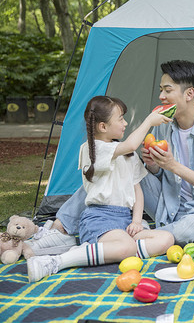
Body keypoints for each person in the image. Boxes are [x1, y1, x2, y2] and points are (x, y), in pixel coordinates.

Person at [26, 60, 194, 257]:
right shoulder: (163, 124)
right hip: (166, 202)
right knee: (112, 166)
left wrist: (173, 165)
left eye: (168, 90)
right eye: (161, 90)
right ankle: (60, 226)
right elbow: (162, 176)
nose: (161, 96)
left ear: (189, 93)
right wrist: (154, 166)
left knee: (185, 234)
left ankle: (122, 241)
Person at [27, 95, 175, 282]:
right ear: (103, 126)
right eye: (120, 118)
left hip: (124, 220)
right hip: (99, 219)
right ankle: (58, 261)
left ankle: (101, 251)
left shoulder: (128, 155)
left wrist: (137, 221)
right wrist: (149, 121)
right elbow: (130, 143)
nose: (125, 123)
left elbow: (137, 189)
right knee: (128, 247)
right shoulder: (93, 149)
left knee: (166, 239)